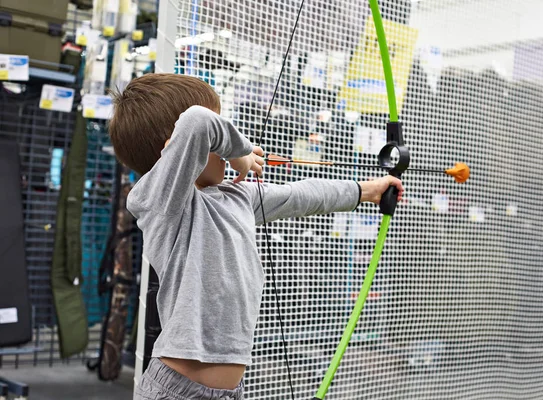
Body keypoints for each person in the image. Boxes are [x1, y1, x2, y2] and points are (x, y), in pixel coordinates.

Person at [109, 73, 404, 400]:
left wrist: (364, 191)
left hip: (231, 391)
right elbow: (197, 121)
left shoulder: (237, 195)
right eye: (220, 136)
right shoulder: (159, 201)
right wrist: (241, 152)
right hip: (178, 391)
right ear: (174, 148)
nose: (225, 143)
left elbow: (301, 195)